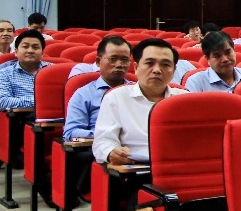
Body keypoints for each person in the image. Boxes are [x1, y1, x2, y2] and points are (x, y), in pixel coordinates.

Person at [92, 39, 187, 167]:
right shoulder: (116, 98)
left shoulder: (185, 99)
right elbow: (103, 141)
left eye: (165, 65)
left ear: (174, 70)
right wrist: (111, 152)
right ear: (136, 67)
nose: (157, 70)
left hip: (179, 167)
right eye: (149, 63)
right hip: (135, 169)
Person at [63, 38, 132, 141]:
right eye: (113, 59)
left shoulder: (137, 90)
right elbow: (71, 133)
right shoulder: (84, 94)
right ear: (98, 62)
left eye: (125, 60)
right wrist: (108, 135)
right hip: (97, 145)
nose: (119, 65)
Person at [0, 30, 49, 111]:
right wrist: (41, 101)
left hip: (54, 116)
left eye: (35, 47)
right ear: (16, 52)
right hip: (20, 117)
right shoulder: (5, 73)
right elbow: (2, 102)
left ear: (42, 53)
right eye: (25, 47)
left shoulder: (53, 71)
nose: (30, 51)